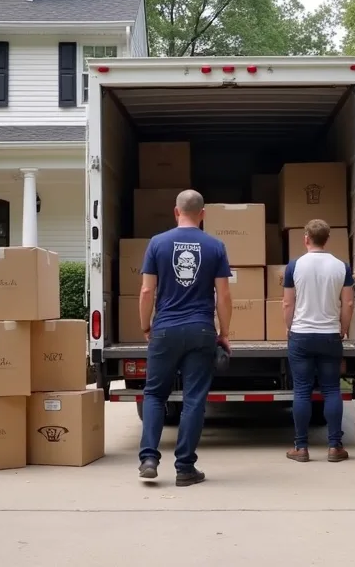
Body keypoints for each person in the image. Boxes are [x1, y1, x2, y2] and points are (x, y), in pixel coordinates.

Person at [137, 189, 233, 486]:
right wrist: (224, 333)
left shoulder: (157, 243)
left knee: (154, 394)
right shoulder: (215, 246)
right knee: (194, 399)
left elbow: (146, 291)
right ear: (202, 214)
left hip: (164, 328)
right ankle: (185, 468)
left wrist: (146, 326)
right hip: (200, 329)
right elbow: (224, 294)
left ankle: (149, 459)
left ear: (176, 211)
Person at [281, 219, 355, 463]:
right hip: (330, 336)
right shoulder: (341, 267)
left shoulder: (295, 266)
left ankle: (300, 448)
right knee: (332, 389)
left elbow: (288, 302)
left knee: (302, 391)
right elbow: (349, 303)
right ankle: (335, 447)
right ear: (327, 239)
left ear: (306, 238)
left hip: (301, 335)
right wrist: (343, 328)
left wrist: (289, 327)